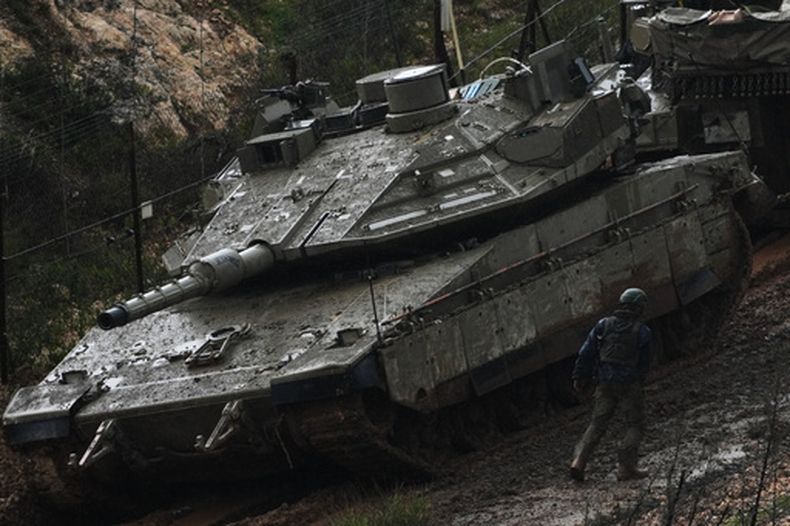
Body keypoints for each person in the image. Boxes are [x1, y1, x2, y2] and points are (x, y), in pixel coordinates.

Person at [569, 288, 651, 482]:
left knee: (597, 423)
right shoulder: (642, 331)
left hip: (604, 382)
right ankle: (626, 467)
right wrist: (639, 382)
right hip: (629, 383)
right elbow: (644, 363)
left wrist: (579, 376)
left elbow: (586, 353)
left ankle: (579, 461)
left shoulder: (603, 325)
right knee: (635, 425)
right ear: (639, 308)